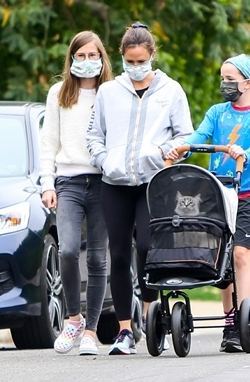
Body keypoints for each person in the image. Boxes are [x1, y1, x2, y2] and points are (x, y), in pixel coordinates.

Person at [86, 22, 194, 355]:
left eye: (141, 61)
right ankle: (124, 331)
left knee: (146, 248)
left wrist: (169, 151)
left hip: (153, 183)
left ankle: (150, 313)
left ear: (152, 56)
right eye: (130, 62)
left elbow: (186, 136)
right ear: (122, 58)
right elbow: (94, 136)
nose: (135, 68)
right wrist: (105, 161)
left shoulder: (171, 90)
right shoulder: (108, 92)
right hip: (115, 183)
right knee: (118, 255)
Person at [166, 53, 250, 353]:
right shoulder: (217, 112)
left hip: (248, 191)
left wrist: (244, 153)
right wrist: (182, 149)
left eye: (230, 80)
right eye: (223, 79)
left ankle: (242, 318)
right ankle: (229, 323)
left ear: (247, 83)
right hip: (219, 192)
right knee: (222, 259)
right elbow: (199, 137)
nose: (224, 84)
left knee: (240, 253)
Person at [39, 30, 114, 356]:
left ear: (102, 58)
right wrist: (47, 183)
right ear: (71, 59)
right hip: (68, 182)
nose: (86, 61)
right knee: (68, 250)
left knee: (98, 257)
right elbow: (48, 142)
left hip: (103, 183)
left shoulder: (112, 93)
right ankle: (73, 319)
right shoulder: (59, 93)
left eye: (92, 56)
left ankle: (92, 331)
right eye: (80, 56)